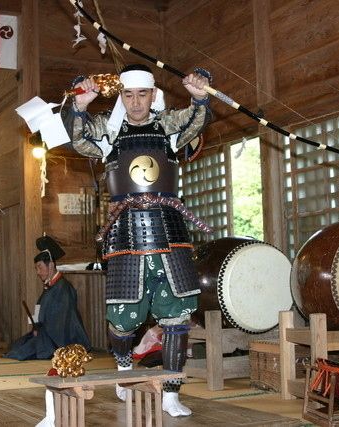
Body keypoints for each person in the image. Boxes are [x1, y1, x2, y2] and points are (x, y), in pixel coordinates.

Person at [69, 63, 211, 417]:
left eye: (142, 94)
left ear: (153, 94)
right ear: (122, 96)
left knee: (178, 313)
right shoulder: (108, 130)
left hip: (169, 229)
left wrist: (200, 100)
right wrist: (79, 107)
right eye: (128, 95)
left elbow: (196, 121)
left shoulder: (168, 126)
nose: (135, 102)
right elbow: (79, 139)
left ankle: (172, 392)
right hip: (124, 231)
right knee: (122, 316)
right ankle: (123, 371)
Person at [3, 235, 91, 360]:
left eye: (39, 267)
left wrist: (41, 330)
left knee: (21, 353)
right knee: (17, 346)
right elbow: (41, 308)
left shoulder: (64, 288)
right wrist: (36, 326)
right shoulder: (50, 286)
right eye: (36, 268)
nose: (38, 272)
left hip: (57, 338)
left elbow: (63, 320)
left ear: (50, 266)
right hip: (44, 333)